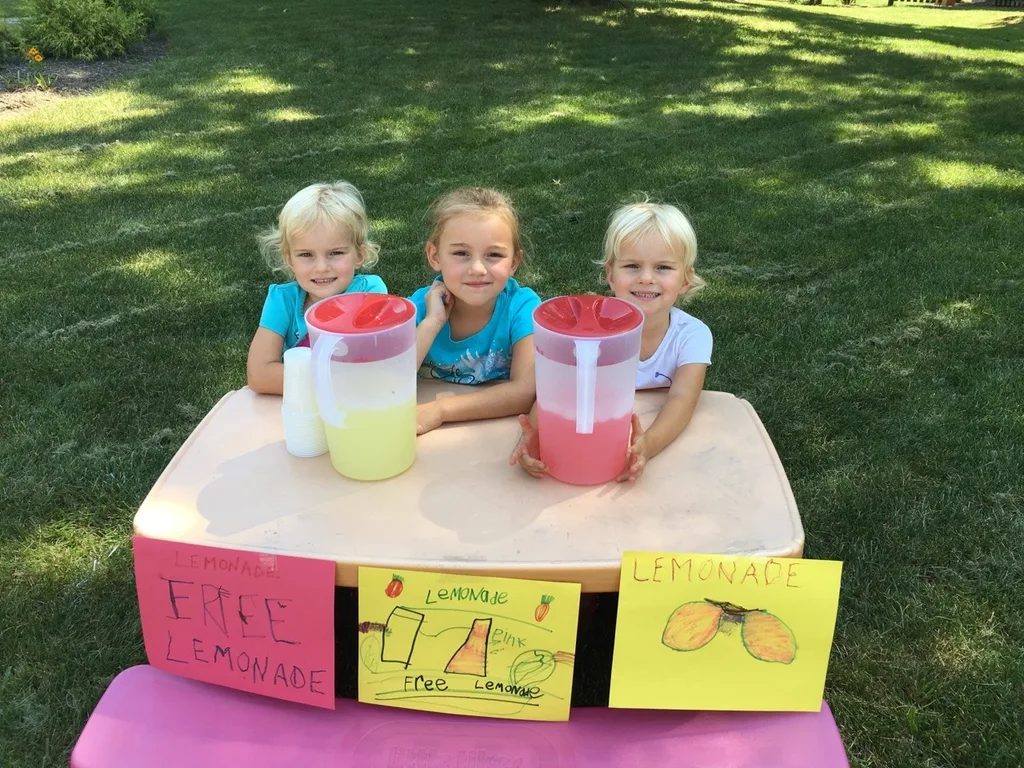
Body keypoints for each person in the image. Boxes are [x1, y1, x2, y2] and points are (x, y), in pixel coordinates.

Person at [511, 200, 711, 481]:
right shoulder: (585, 336)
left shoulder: (691, 336)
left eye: (663, 267)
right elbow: (554, 393)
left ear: (686, 280)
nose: (646, 278)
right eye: (632, 266)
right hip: (587, 441)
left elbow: (681, 400)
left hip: (640, 431)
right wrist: (532, 438)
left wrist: (647, 446)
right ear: (610, 275)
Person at [410, 187, 540, 435]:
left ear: (513, 263)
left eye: (494, 255)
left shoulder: (522, 308)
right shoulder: (417, 310)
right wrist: (432, 323)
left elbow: (525, 393)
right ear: (435, 256)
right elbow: (388, 384)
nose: (478, 268)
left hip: (495, 435)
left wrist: (441, 410)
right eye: (461, 253)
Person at [246, 181, 387, 394]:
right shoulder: (282, 300)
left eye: (336, 253)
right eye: (306, 255)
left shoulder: (369, 292)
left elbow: (373, 368)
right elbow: (259, 376)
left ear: (359, 254)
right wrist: (339, 381)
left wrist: (297, 379)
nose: (321, 267)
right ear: (289, 259)